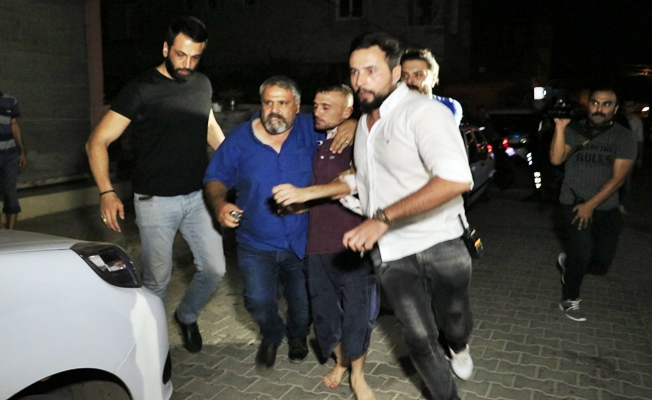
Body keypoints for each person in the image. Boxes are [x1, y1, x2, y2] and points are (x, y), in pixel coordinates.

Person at [344, 32, 474, 400]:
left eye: (371, 71)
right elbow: (368, 180)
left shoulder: (425, 112)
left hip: (441, 240)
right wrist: (314, 193)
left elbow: (456, 179)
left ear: (396, 72)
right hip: (392, 250)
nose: (360, 81)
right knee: (418, 338)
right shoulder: (364, 125)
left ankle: (459, 345)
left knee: (454, 323)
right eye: (354, 72)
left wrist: (382, 217)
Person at [86, 16, 226, 353]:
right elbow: (97, 141)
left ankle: (187, 316)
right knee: (157, 283)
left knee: (215, 270)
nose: (187, 64)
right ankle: (152, 349)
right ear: (166, 48)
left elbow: (210, 129)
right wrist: (106, 191)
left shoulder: (202, 84)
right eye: (180, 55)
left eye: (195, 57)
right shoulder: (140, 89)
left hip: (198, 198)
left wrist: (238, 164)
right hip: (155, 202)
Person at [204, 76, 354, 370]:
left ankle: (298, 336)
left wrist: (354, 124)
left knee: (303, 303)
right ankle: (272, 333)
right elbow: (215, 178)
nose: (274, 110)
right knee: (257, 301)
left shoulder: (312, 129)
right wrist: (220, 204)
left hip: (303, 239)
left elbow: (363, 128)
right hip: (255, 242)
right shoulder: (240, 139)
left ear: (297, 106)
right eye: (268, 103)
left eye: (282, 103)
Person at [271, 84, 378, 399]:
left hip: (354, 244)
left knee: (358, 314)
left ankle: (357, 375)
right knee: (325, 318)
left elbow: (355, 182)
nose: (317, 112)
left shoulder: (363, 140)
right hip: (317, 244)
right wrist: (298, 206)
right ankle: (341, 361)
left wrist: (357, 123)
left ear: (347, 111)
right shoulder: (318, 144)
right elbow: (322, 193)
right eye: (315, 105)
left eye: (326, 107)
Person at [550, 87, 637, 322]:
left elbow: (618, 178)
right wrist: (560, 127)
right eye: (595, 103)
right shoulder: (575, 130)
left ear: (615, 109)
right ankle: (570, 299)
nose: (599, 109)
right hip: (573, 203)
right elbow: (556, 159)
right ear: (588, 105)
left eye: (606, 104)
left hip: (606, 207)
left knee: (601, 262)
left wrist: (591, 205)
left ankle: (569, 264)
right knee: (582, 252)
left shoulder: (624, 137)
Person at [400, 48, 463, 126]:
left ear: (433, 78)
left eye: (418, 75)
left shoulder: (447, 107)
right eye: (404, 75)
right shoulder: (392, 107)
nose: (409, 80)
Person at [0, 87, 27, 230]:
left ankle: (11, 233)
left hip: (10, 155)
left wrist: (22, 151)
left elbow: (14, 125)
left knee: (10, 194)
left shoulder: (10, 100)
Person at [617, 100, 644, 213]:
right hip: (616, 152)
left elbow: (640, 140)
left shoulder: (636, 121)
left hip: (629, 153)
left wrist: (639, 156)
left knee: (627, 180)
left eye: (631, 106)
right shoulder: (617, 119)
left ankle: (622, 203)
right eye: (627, 105)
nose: (629, 108)